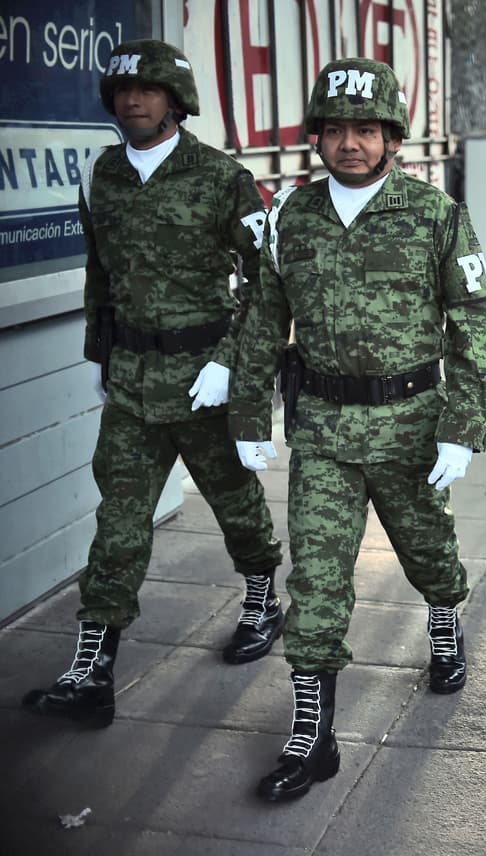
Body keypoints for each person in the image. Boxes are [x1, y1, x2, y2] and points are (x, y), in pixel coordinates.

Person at [229, 58, 486, 802]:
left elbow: (476, 321)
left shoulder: (433, 214)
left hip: (411, 426)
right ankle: (312, 733)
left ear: (391, 137)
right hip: (322, 429)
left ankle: (444, 619)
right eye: (337, 129)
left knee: (428, 551)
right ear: (317, 136)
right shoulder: (292, 215)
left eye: (366, 129)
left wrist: (461, 423)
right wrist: (249, 412)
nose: (350, 143)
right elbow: (260, 319)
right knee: (316, 580)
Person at [22, 40, 284, 729]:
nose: (132, 101)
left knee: (234, 500)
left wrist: (232, 361)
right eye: (122, 92)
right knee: (119, 523)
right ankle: (92, 669)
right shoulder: (102, 174)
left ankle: (262, 595)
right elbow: (100, 276)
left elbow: (266, 282)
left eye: (147, 90)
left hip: (204, 379)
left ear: (175, 99)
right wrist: (102, 355)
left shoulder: (221, 177)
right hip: (135, 384)